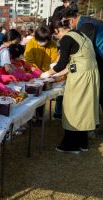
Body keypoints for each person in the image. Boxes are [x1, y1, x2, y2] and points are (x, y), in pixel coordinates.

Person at [41, 18, 100, 153]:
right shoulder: (81, 34)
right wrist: (56, 75)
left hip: (80, 77)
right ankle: (82, 143)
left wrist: (46, 74)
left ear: (57, 30)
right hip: (90, 74)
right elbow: (75, 61)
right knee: (84, 108)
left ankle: (71, 145)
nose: (56, 38)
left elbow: (61, 64)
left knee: (72, 108)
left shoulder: (66, 39)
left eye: (55, 35)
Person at [63, 7, 103, 109]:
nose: (68, 27)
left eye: (67, 24)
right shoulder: (88, 20)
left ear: (71, 21)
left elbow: (85, 51)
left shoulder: (85, 26)